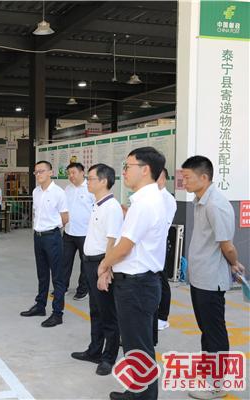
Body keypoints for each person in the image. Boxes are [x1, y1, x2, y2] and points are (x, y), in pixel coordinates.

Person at [97, 147, 167, 400]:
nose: (124, 171)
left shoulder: (145, 203)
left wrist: (104, 265)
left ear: (145, 169)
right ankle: (138, 391)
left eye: (128, 166)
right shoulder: (147, 199)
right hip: (139, 283)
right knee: (137, 344)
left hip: (137, 286)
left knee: (138, 345)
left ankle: (143, 396)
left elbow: (124, 247)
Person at [181, 156, 245, 400]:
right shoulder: (200, 201)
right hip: (200, 277)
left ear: (204, 177)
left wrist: (234, 263)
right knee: (206, 330)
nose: (184, 182)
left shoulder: (215, 205)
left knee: (214, 332)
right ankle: (209, 374)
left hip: (210, 279)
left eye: (187, 177)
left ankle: (217, 385)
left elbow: (227, 245)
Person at [71, 163, 122, 376]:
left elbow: (112, 241)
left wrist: (106, 269)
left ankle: (108, 358)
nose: (88, 182)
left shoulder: (112, 207)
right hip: (90, 262)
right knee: (95, 310)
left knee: (108, 313)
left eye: (91, 178)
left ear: (103, 181)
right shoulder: (97, 204)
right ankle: (94, 350)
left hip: (102, 263)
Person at [20, 161, 69, 328]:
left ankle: (57, 313)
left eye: (41, 171)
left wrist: (53, 229)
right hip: (38, 236)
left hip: (52, 237)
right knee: (42, 274)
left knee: (57, 277)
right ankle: (40, 306)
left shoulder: (59, 193)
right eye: (36, 172)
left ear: (50, 172)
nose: (38, 174)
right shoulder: (36, 192)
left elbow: (65, 217)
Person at [62, 162, 95, 301]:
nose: (71, 176)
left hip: (85, 233)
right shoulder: (67, 189)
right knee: (64, 262)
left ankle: (83, 290)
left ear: (82, 173)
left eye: (73, 173)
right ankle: (62, 287)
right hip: (68, 232)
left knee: (85, 264)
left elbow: (97, 210)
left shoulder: (90, 189)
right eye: (69, 173)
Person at [156, 168, 177, 333]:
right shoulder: (149, 197)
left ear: (164, 179)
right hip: (149, 248)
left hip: (160, 246)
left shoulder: (168, 199)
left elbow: (164, 225)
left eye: (158, 177)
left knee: (162, 280)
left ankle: (162, 317)